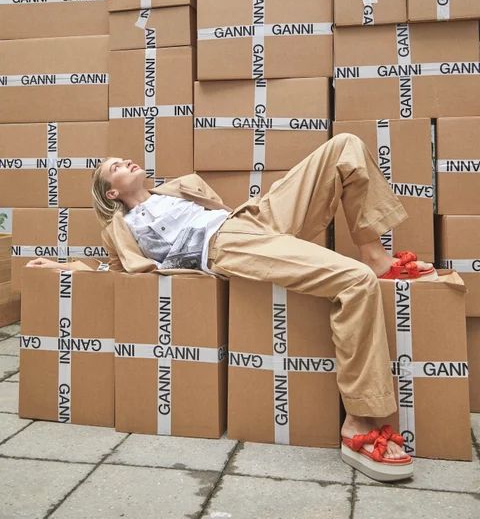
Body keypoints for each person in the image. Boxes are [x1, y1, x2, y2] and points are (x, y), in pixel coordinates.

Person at [27, 133, 437, 482]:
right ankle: (361, 421)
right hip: (226, 246)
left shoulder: (173, 190)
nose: (127, 161)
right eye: (115, 166)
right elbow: (113, 271)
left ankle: (376, 256)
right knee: (353, 281)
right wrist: (64, 265)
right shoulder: (122, 228)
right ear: (112, 193)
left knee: (345, 146)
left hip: (250, 216)